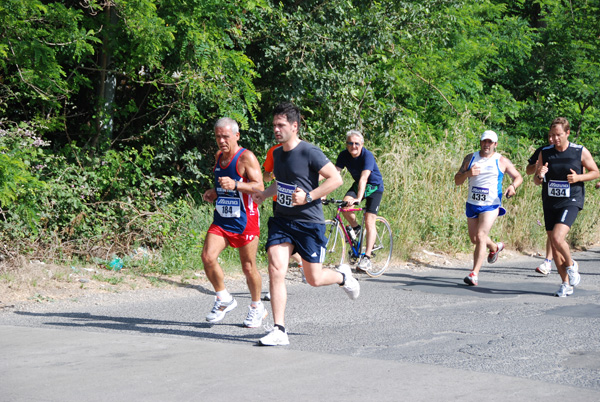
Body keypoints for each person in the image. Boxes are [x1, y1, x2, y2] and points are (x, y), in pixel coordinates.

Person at [252, 102, 359, 346]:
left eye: (281, 125)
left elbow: (336, 179)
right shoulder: (277, 154)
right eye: (274, 125)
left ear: (294, 126)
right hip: (282, 220)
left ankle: (342, 276)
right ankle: (279, 329)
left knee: (314, 279)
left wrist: (309, 196)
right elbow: (282, 183)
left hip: (309, 222)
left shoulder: (310, 152)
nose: (276, 130)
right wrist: (264, 195)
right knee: (275, 268)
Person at [201, 117, 267, 328]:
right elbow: (223, 185)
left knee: (248, 268)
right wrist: (214, 191)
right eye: (218, 136)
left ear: (236, 136)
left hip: (245, 220)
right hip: (222, 219)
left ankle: (257, 307)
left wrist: (237, 184)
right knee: (208, 257)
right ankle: (223, 299)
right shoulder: (219, 156)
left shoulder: (246, 157)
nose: (221, 141)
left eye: (225, 136)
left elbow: (260, 186)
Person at [534, 117, 599, 297]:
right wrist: (539, 175)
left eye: (558, 135)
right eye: (550, 135)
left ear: (567, 133)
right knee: (555, 247)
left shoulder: (579, 151)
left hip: (571, 200)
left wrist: (578, 178)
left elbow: (595, 172)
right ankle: (565, 283)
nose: (553, 139)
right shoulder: (545, 152)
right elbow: (536, 181)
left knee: (557, 237)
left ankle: (571, 265)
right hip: (550, 202)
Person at [454, 130, 523, 286]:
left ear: (495, 144)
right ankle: (495, 247)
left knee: (480, 235)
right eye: (484, 141)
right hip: (472, 203)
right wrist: (468, 174)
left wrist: (513, 186)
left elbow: (518, 177)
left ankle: (474, 274)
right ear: (480, 142)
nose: (486, 145)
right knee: (475, 239)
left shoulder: (501, 160)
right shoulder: (470, 158)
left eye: (490, 142)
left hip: (491, 204)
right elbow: (457, 180)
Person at [335, 130, 385, 271]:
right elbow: (334, 173)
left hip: (374, 186)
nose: (353, 146)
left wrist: (358, 198)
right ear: (346, 144)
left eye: (357, 143)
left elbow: (364, 178)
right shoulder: (344, 155)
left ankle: (367, 258)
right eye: (350, 143)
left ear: (362, 144)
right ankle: (357, 228)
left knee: (369, 221)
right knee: (344, 206)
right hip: (359, 184)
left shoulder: (367, 156)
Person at [262, 143, 306, 301]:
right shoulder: (273, 151)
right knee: (279, 245)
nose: (278, 130)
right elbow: (265, 176)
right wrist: (272, 175)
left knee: (292, 242)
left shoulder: (303, 149)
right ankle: (276, 286)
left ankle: (306, 265)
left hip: (298, 203)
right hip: (279, 202)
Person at [526, 134, 554, 275]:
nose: (551, 139)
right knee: (552, 231)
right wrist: (536, 166)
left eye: (554, 136)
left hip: (568, 198)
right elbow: (528, 170)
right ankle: (556, 261)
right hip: (548, 194)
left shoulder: (571, 151)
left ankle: (550, 261)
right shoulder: (542, 150)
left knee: (557, 232)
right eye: (549, 136)